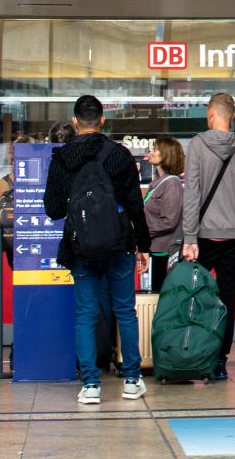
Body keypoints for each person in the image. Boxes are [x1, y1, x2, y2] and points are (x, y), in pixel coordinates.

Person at [44, 95, 150, 404]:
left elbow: (52, 209)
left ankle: (90, 385)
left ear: (75, 122)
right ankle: (132, 380)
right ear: (103, 120)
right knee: (125, 312)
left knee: (85, 314)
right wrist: (142, 245)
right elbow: (134, 204)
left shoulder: (62, 158)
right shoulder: (119, 155)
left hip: (81, 247)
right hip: (119, 245)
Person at [179, 92, 235, 381]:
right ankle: (220, 360)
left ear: (210, 115)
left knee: (192, 297)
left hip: (203, 237)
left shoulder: (197, 145)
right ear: (232, 116)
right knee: (227, 300)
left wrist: (189, 237)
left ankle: (191, 351)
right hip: (234, 237)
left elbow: (192, 194)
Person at [143, 136, 186, 293]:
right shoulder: (158, 182)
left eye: (156, 149)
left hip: (165, 252)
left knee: (163, 297)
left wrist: (142, 232)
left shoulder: (172, 183)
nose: (152, 152)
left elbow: (169, 221)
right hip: (156, 249)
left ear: (166, 155)